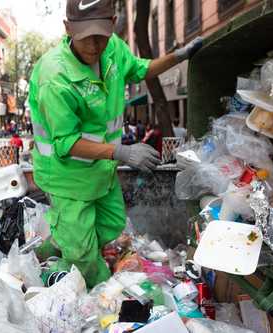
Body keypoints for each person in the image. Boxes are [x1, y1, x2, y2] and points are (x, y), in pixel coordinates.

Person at [28, 0, 202, 288]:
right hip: (66, 177)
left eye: (102, 34)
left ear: (112, 24)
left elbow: (140, 69)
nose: (95, 46)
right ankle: (101, 294)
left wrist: (177, 56)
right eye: (86, 36)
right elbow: (66, 143)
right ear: (68, 28)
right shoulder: (54, 77)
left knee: (110, 224)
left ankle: (57, 246)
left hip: (100, 172)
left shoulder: (113, 50)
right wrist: (122, 152)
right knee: (83, 253)